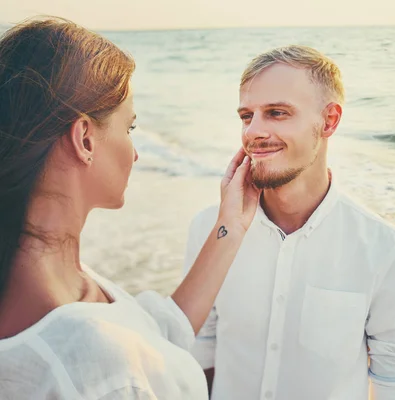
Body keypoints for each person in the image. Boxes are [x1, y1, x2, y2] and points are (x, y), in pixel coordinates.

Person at [0, 17, 259, 399]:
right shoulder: (96, 363)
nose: (135, 153)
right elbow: (123, 364)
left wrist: (230, 225)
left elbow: (157, 336)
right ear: (85, 139)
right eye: (129, 128)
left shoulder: (41, 278)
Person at [182, 45, 395, 400]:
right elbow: (199, 349)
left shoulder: (386, 249)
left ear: (329, 121)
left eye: (277, 113)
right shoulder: (210, 230)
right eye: (246, 116)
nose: (254, 131)